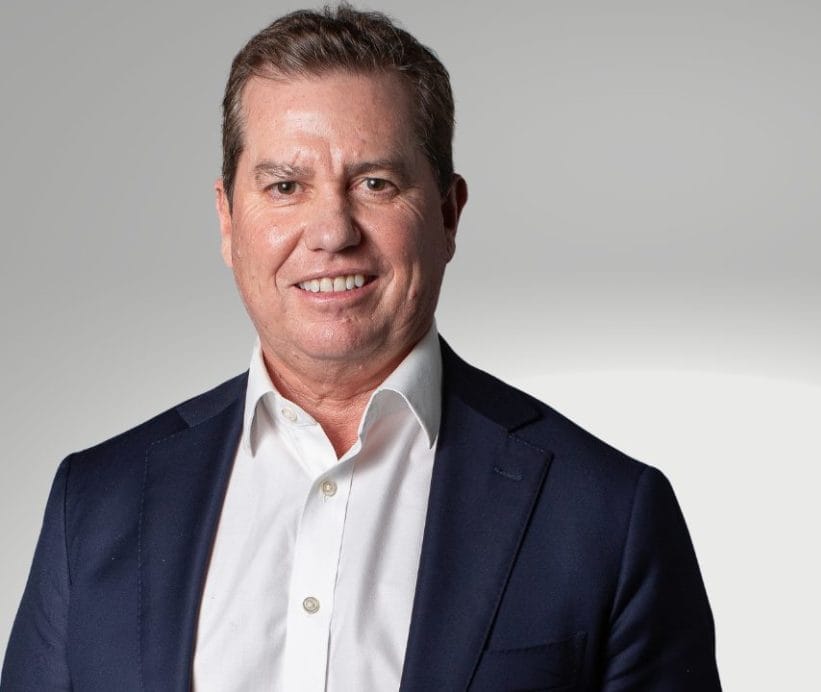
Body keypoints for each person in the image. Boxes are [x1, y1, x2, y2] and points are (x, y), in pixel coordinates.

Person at [1, 5, 719, 691]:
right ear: (227, 219)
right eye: (286, 186)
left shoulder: (606, 515)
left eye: (375, 183)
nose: (332, 231)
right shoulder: (94, 503)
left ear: (448, 214)